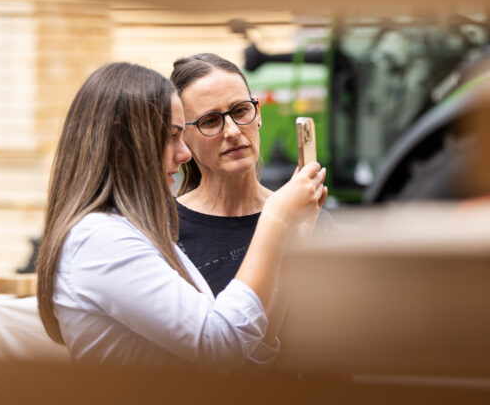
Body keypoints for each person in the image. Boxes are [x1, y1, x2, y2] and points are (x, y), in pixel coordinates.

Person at [36, 62, 326, 370]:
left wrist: (292, 236)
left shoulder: (137, 232)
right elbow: (222, 345)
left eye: (241, 111)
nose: (183, 152)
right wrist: (275, 219)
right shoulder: (102, 240)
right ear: (125, 144)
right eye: (173, 136)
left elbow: (243, 364)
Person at [171, 53, 329, 297]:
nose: (232, 131)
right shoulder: (165, 232)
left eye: (240, 111)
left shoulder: (312, 220)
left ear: (259, 113)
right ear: (182, 136)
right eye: (210, 121)